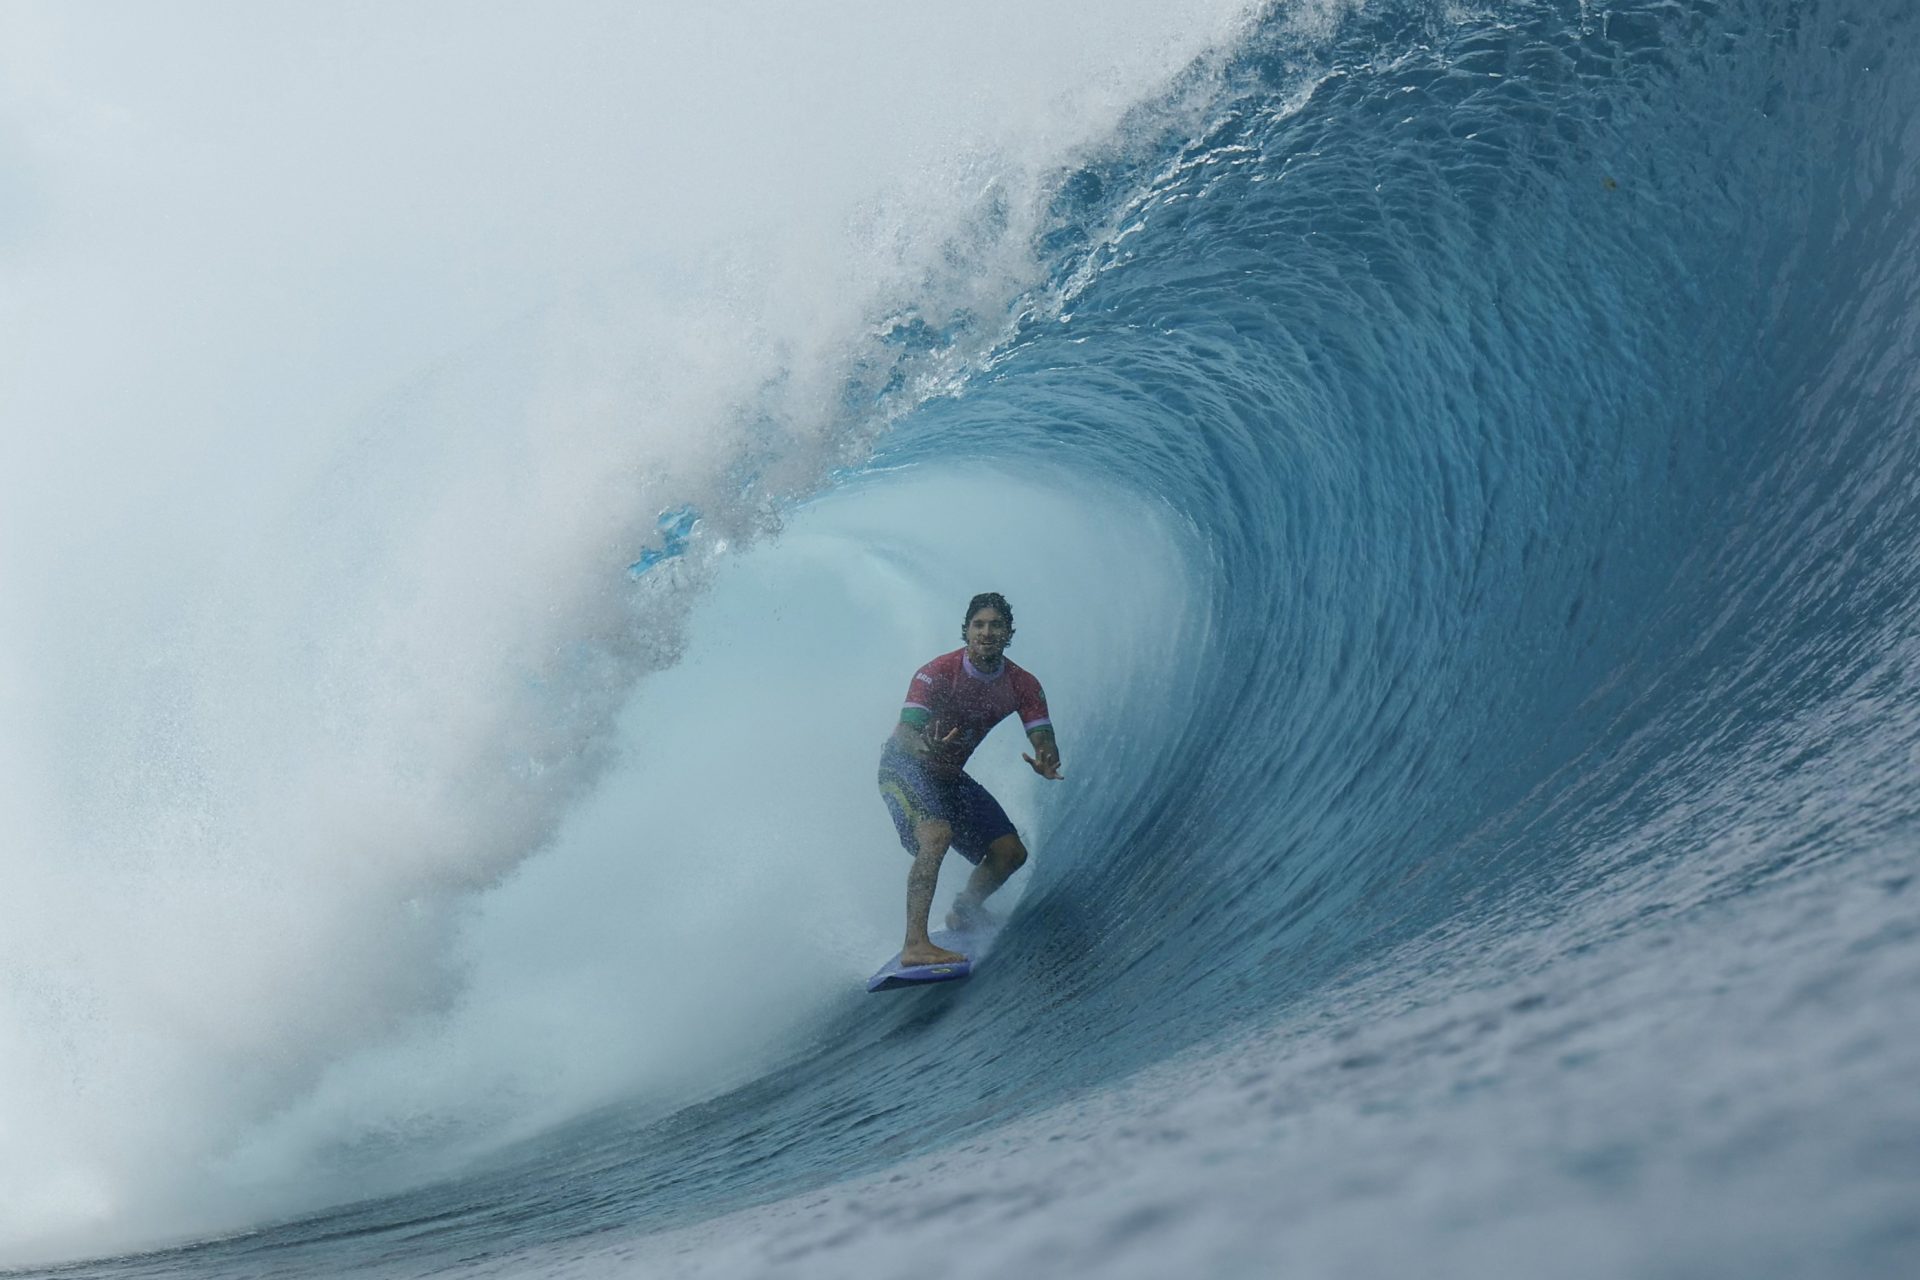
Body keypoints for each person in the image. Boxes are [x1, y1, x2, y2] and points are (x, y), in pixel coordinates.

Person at [877, 592, 1063, 967]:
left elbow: (1043, 737)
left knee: (1010, 853)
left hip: (947, 777)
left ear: (1009, 632)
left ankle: (964, 910)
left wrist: (1047, 758)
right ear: (966, 630)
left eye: (996, 625)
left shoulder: (1022, 684)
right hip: (903, 766)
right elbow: (908, 733)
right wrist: (922, 744)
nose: (987, 632)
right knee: (936, 834)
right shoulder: (938, 672)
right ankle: (916, 944)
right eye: (978, 624)